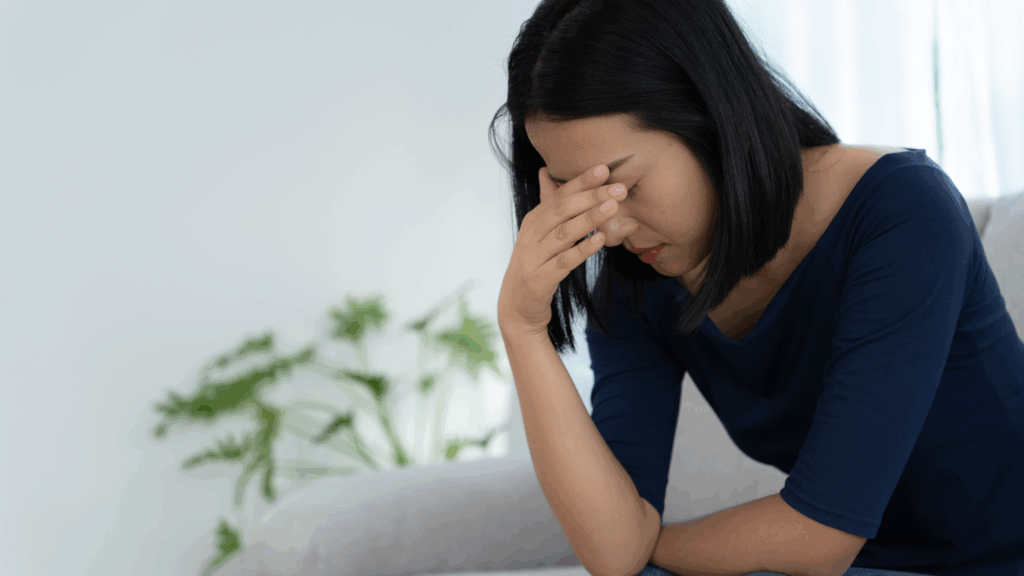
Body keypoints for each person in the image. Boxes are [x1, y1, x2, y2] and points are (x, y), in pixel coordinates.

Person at [491, 1, 1024, 576]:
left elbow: (819, 536)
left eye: (625, 186)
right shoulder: (637, 284)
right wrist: (523, 328)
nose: (610, 228)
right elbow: (612, 550)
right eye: (578, 195)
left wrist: (648, 545)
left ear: (709, 116)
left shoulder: (903, 212)